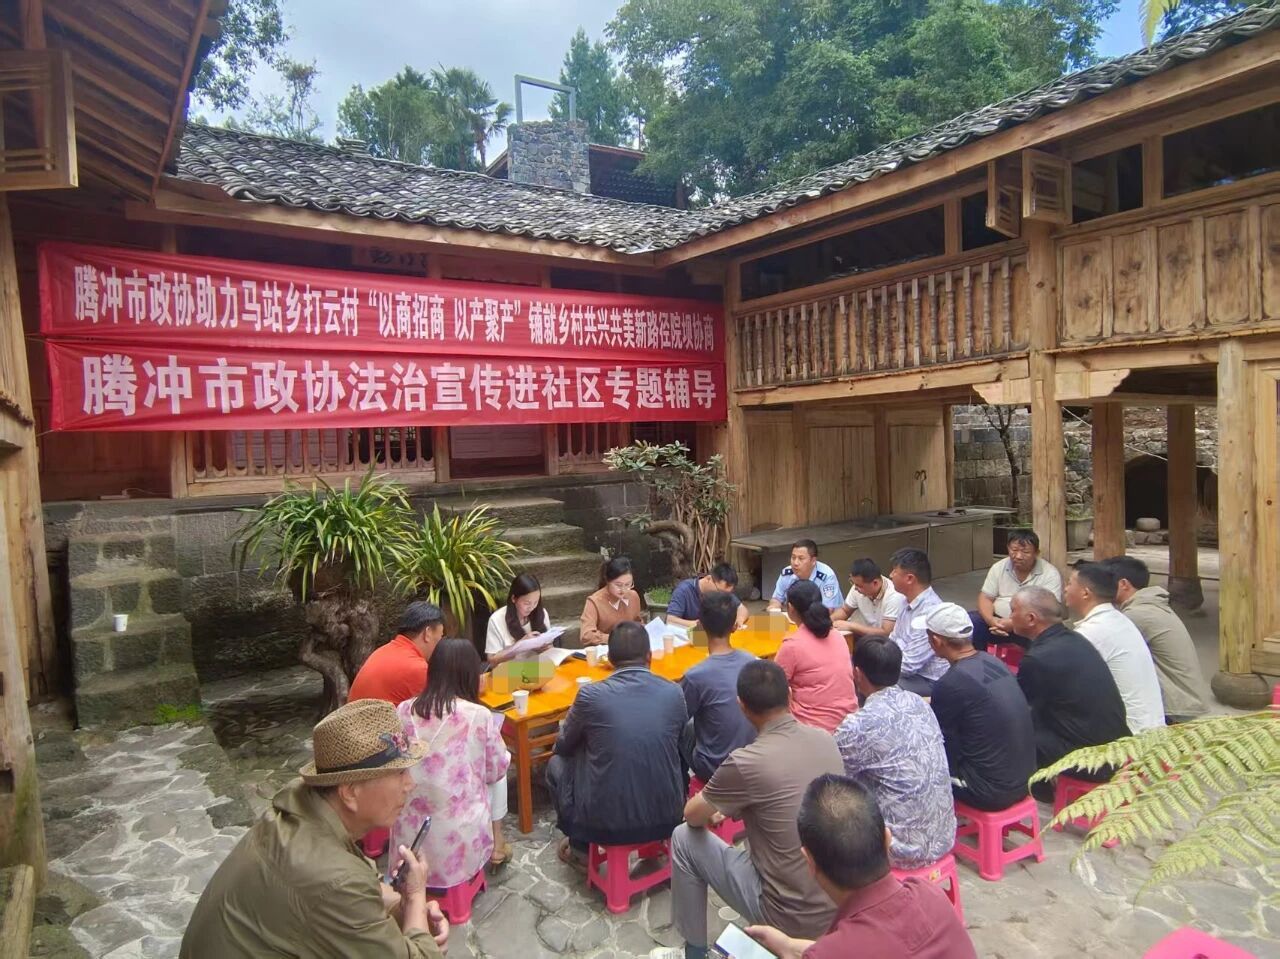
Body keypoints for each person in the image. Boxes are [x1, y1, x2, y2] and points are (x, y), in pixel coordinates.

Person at [180, 699, 449, 958]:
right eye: (400, 773)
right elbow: (340, 890)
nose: (410, 784)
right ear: (350, 793)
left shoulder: (302, 809)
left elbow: (353, 898)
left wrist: (402, 906)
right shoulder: (334, 877)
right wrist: (416, 897)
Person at [654, 660, 844, 959]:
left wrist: (715, 807)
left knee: (683, 837)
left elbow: (692, 815)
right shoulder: (826, 740)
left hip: (786, 914)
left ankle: (694, 952)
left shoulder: (746, 762)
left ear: (742, 707)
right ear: (790, 695)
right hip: (836, 902)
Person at [743, 775, 978, 959]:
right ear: (887, 840)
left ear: (809, 862)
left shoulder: (833, 951)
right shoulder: (931, 897)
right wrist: (791, 947)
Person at [546, 621, 686, 866]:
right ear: (649, 656)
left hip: (606, 824)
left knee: (556, 764)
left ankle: (580, 847)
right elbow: (679, 743)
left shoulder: (590, 696)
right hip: (669, 815)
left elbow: (563, 745)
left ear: (609, 658)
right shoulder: (673, 692)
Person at [392, 639, 513, 877]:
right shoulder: (478, 714)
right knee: (500, 767)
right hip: (456, 834)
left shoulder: (403, 709)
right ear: (471, 674)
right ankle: (497, 843)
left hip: (409, 827)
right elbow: (496, 770)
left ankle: (496, 844)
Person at [834, 637, 955, 868]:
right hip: (944, 835)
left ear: (857, 673)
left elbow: (836, 774)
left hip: (901, 848)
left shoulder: (858, 725)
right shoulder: (919, 704)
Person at [922, 603, 1037, 811]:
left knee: (914, 762)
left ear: (936, 640)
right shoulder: (992, 662)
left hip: (990, 791)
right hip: (1026, 778)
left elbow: (943, 745)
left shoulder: (951, 683)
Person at [1009, 586, 1131, 781]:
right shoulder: (1075, 639)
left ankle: (1030, 788)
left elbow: (1023, 711)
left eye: (1013, 610)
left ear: (1031, 619)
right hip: (1118, 745)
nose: (1010, 616)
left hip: (1092, 760)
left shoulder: (1037, 659)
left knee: (1009, 729)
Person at [1103, 555, 1210, 723]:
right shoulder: (1150, 606)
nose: (1101, 587)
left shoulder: (1138, 614)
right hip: (1185, 702)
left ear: (1123, 584)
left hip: (1176, 708)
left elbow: (1101, 649)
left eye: (1105, 582)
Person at [1064, 563, 1165, 734]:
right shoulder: (1118, 619)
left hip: (1130, 733)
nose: (1065, 589)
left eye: (1069, 583)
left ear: (1085, 593)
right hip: (1150, 723)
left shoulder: (1093, 631)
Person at [681, 590, 757, 784]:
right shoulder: (752, 662)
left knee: (681, 729)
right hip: (753, 761)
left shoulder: (695, 676)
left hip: (714, 768)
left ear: (700, 625)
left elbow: (677, 719)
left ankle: (682, 787)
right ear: (734, 626)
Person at [776, 580, 858, 732]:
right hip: (849, 723)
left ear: (791, 608)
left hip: (813, 729)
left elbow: (773, 689)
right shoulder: (837, 636)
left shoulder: (792, 646)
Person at [970, 529, 1062, 651]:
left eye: (1025, 552)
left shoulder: (1050, 573)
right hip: (997, 622)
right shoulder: (999, 567)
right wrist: (991, 620)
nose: (1018, 556)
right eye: (1014, 550)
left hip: (1030, 626)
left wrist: (1014, 624)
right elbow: (986, 597)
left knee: (1047, 637)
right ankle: (978, 660)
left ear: (1036, 553)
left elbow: (1049, 612)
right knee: (971, 622)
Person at [349, 601, 445, 706]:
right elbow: (442, 711)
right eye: (440, 636)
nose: (441, 643)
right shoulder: (418, 668)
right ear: (428, 633)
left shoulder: (383, 652)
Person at [885, 548, 949, 696]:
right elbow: (893, 640)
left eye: (895, 571)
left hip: (928, 680)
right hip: (906, 671)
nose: (890, 575)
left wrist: (877, 668)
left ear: (909, 578)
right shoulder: (905, 601)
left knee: (875, 684)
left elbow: (909, 665)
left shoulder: (930, 612)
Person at [485, 572, 553, 666]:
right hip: (509, 671)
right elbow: (492, 660)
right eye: (527, 603)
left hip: (537, 666)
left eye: (535, 602)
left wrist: (545, 648)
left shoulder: (542, 613)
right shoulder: (496, 619)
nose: (532, 608)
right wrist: (520, 646)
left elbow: (550, 647)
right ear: (514, 598)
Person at [580, 556, 646, 647]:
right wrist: (616, 638)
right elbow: (586, 635)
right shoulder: (594, 601)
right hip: (606, 649)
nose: (623, 590)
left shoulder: (633, 596)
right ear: (607, 581)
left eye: (628, 584)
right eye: (618, 585)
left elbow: (637, 622)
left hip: (630, 647)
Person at [832, 558, 906, 638]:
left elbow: (886, 632)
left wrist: (851, 626)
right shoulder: (857, 587)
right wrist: (827, 622)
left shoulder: (894, 595)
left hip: (885, 641)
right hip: (863, 637)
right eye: (853, 583)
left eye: (859, 586)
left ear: (875, 583)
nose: (855, 588)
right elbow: (845, 611)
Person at [666, 562, 750, 630]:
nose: (722, 596)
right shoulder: (684, 590)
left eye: (726, 594)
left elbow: (742, 609)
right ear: (708, 579)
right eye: (719, 591)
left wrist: (739, 620)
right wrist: (697, 624)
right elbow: (670, 620)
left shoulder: (723, 593)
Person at [767, 540, 843, 612]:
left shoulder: (826, 576)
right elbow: (777, 599)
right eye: (793, 557)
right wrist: (774, 607)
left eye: (801, 558)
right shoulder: (787, 573)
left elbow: (828, 610)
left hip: (830, 618)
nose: (795, 563)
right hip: (798, 617)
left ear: (813, 561)